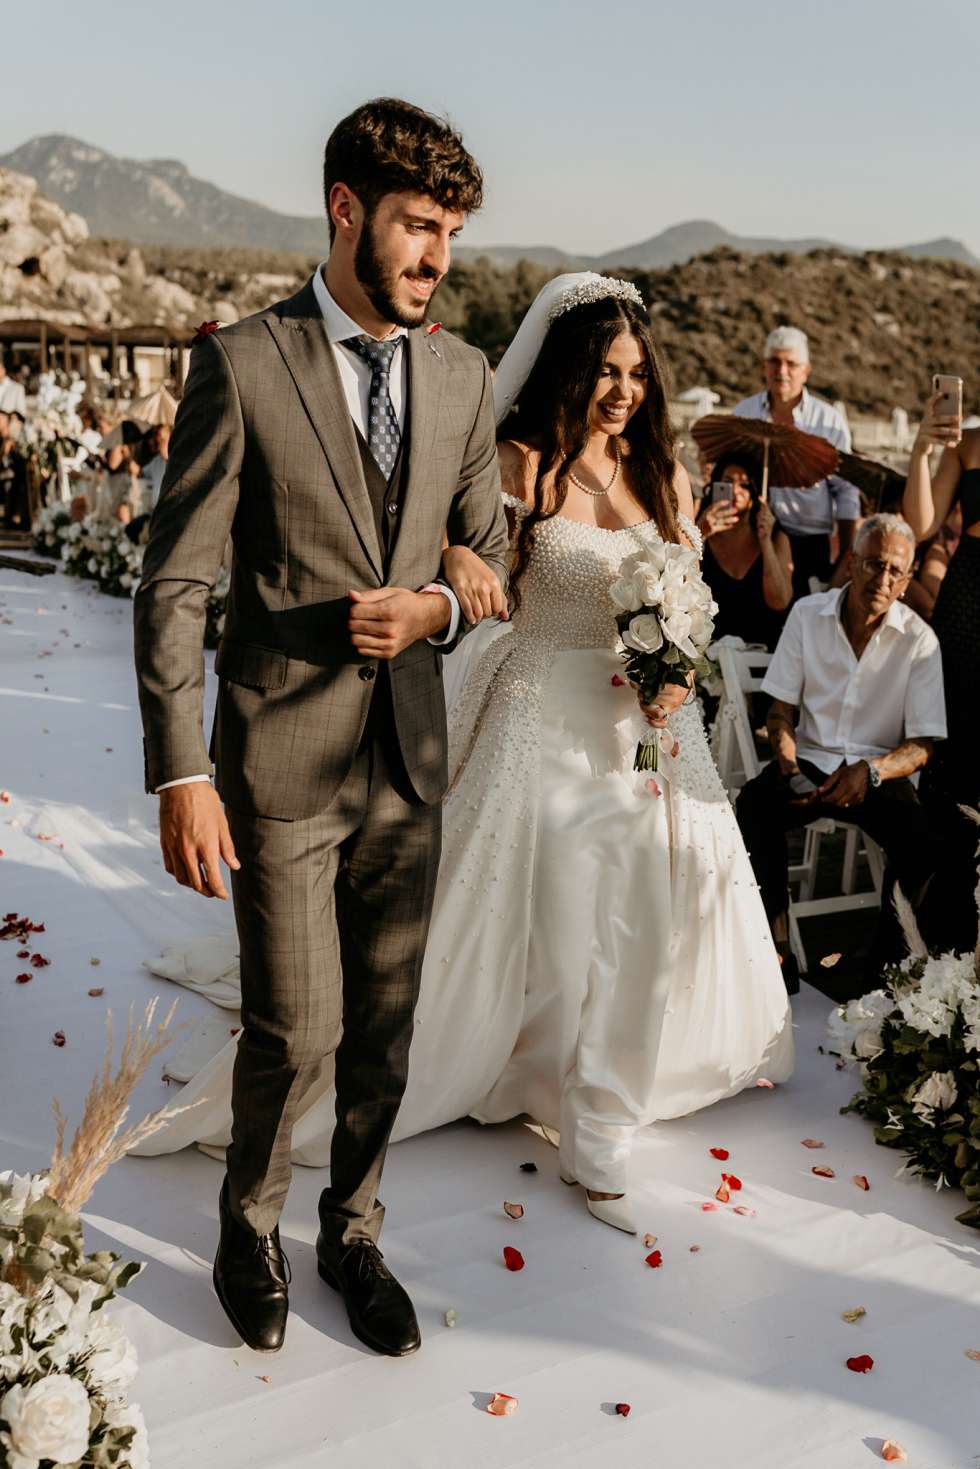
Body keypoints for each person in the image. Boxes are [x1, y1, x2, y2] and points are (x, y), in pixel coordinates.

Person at [135, 273, 793, 1241]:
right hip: (542, 708)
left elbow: (683, 584)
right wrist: (456, 562)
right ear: (568, 370)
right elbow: (451, 542)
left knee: (651, 910)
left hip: (647, 724)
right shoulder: (517, 459)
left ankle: (599, 1117)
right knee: (556, 905)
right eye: (605, 371)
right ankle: (528, 1070)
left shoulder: (663, 475)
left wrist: (674, 662)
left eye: (636, 374)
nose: (622, 391)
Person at [133, 97, 508, 1360]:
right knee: (297, 1023)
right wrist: (181, 769)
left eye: (449, 231)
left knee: (386, 1025)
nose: (434, 256)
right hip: (278, 757)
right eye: (416, 224)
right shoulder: (241, 361)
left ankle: (352, 1228)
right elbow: (176, 582)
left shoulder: (461, 377)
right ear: (346, 211)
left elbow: (490, 550)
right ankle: (249, 1222)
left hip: (410, 759)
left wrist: (440, 604)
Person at [735, 514, 946, 990]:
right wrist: (788, 764)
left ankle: (886, 972)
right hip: (808, 758)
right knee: (753, 805)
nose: (883, 578)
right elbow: (780, 712)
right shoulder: (809, 615)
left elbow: (922, 745)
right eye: (874, 564)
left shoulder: (920, 642)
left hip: (876, 770)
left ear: (909, 579)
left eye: (896, 571)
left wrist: (871, 772)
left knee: (922, 841)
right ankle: (774, 953)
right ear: (852, 562)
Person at [903, 391, 980, 951]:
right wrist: (922, 451)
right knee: (955, 732)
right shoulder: (970, 442)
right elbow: (921, 523)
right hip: (968, 593)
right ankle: (943, 910)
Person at [734, 327, 860, 598]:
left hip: (811, 542)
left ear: (806, 370)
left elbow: (846, 489)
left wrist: (847, 553)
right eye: (775, 361)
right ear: (764, 366)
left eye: (791, 364)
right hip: (756, 536)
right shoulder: (743, 414)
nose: (782, 370)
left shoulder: (828, 421)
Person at [696, 455, 793, 649]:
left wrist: (765, 543)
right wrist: (699, 534)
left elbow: (780, 602)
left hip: (761, 655)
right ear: (715, 486)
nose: (735, 491)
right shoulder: (700, 529)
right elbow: (680, 585)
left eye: (745, 485)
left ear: (755, 493)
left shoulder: (777, 538)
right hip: (707, 652)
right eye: (728, 482)